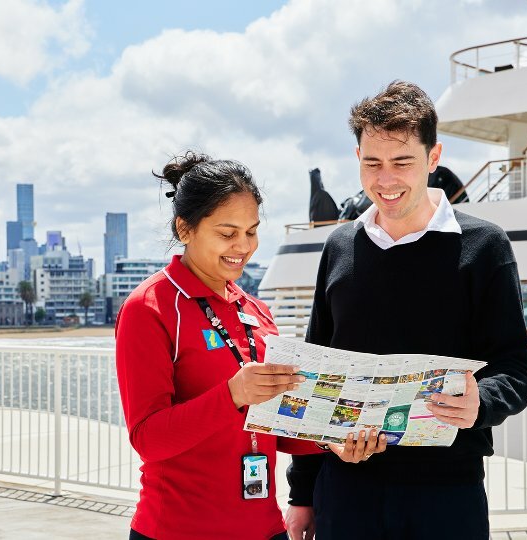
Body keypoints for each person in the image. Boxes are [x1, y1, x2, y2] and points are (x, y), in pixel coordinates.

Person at [284, 81, 527, 540]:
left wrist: (481, 402)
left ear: (433, 157)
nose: (386, 180)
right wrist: (301, 494)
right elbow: (313, 373)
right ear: (356, 159)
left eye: (402, 162)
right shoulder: (339, 245)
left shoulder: (485, 246)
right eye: (372, 163)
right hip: (345, 488)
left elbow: (515, 370)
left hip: (446, 492)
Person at [115, 152, 385, 540]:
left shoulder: (255, 309)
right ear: (185, 229)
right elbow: (148, 439)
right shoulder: (149, 307)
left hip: (263, 529)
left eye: (252, 231)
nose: (243, 246)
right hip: (177, 530)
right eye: (228, 233)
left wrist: (333, 440)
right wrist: (232, 394)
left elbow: (274, 424)